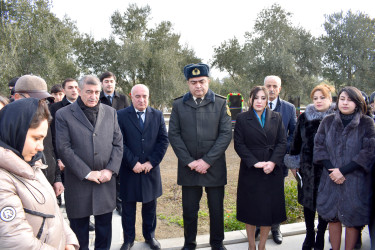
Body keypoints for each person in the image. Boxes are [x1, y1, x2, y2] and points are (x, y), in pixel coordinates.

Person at [0, 98, 79, 249]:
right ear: (15, 130)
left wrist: (69, 239)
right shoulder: (3, 179)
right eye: (36, 138)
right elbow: (17, 242)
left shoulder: (31, 164)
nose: (41, 147)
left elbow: (53, 211)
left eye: (42, 139)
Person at [55, 75, 123, 250]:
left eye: (96, 92)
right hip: (78, 182)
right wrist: (86, 172)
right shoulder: (63, 115)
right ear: (79, 91)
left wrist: (110, 170)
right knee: (79, 232)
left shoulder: (111, 113)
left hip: (105, 182)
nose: (93, 96)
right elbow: (64, 148)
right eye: (89, 92)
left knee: (104, 230)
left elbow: (118, 144)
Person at [168, 63, 232, 250]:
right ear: (188, 83)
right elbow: (174, 134)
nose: (198, 86)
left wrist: (206, 161)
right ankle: (189, 243)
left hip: (214, 167)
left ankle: (217, 243)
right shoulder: (179, 105)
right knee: (189, 210)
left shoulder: (220, 103)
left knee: (216, 210)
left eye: (202, 81)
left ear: (208, 81)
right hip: (189, 168)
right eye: (193, 82)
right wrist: (189, 162)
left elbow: (225, 134)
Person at [314, 86, 375, 250]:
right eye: (342, 99)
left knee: (352, 220)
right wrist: (332, 171)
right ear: (337, 101)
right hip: (331, 179)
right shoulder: (327, 121)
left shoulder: (366, 123)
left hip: (354, 180)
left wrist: (344, 170)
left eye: (350, 99)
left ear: (357, 103)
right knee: (333, 218)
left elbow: (368, 151)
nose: (345, 103)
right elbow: (319, 148)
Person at [234, 86, 287, 250]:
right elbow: (239, 144)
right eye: (256, 97)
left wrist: (272, 163)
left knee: (268, 212)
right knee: (250, 211)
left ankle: (262, 246)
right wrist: (254, 162)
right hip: (251, 171)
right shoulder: (242, 119)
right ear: (250, 99)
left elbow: (282, 142)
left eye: (263, 98)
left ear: (267, 100)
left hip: (272, 171)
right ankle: (251, 245)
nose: (259, 101)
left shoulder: (276, 117)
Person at [117, 84, 169, 250]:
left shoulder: (157, 115)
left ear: (148, 97)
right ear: (131, 97)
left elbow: (163, 141)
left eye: (144, 96)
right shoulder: (121, 115)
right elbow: (119, 142)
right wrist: (133, 163)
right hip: (129, 170)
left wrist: (150, 163)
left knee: (150, 208)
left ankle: (150, 236)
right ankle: (128, 240)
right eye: (137, 96)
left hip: (150, 171)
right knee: (128, 209)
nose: (141, 100)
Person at [285, 83, 335, 250]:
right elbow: (296, 142)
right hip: (307, 168)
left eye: (322, 98)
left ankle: (320, 234)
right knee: (308, 203)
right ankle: (309, 234)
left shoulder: (336, 118)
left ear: (330, 99)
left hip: (328, 170)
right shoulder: (305, 117)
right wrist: (293, 163)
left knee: (324, 203)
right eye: (315, 98)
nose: (318, 101)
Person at [257, 75, 296, 244]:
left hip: (278, 162)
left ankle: (275, 228)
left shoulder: (289, 108)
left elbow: (293, 134)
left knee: (275, 196)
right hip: (258, 162)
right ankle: (258, 225)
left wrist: (279, 152)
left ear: (280, 89)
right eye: (268, 86)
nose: (271, 89)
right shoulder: (256, 106)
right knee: (258, 194)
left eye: (274, 86)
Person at [13, 75, 64, 197]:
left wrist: (57, 178)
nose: (41, 104)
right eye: (36, 100)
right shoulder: (8, 125)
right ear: (17, 97)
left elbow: (50, 148)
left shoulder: (43, 119)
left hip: (48, 183)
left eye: (44, 100)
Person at [99, 71, 130, 214]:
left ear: (115, 82)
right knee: (106, 172)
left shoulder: (123, 98)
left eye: (111, 81)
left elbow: (129, 117)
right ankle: (106, 204)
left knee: (120, 174)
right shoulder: (98, 99)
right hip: (103, 141)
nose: (109, 84)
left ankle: (120, 203)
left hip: (120, 141)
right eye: (106, 81)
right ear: (102, 83)